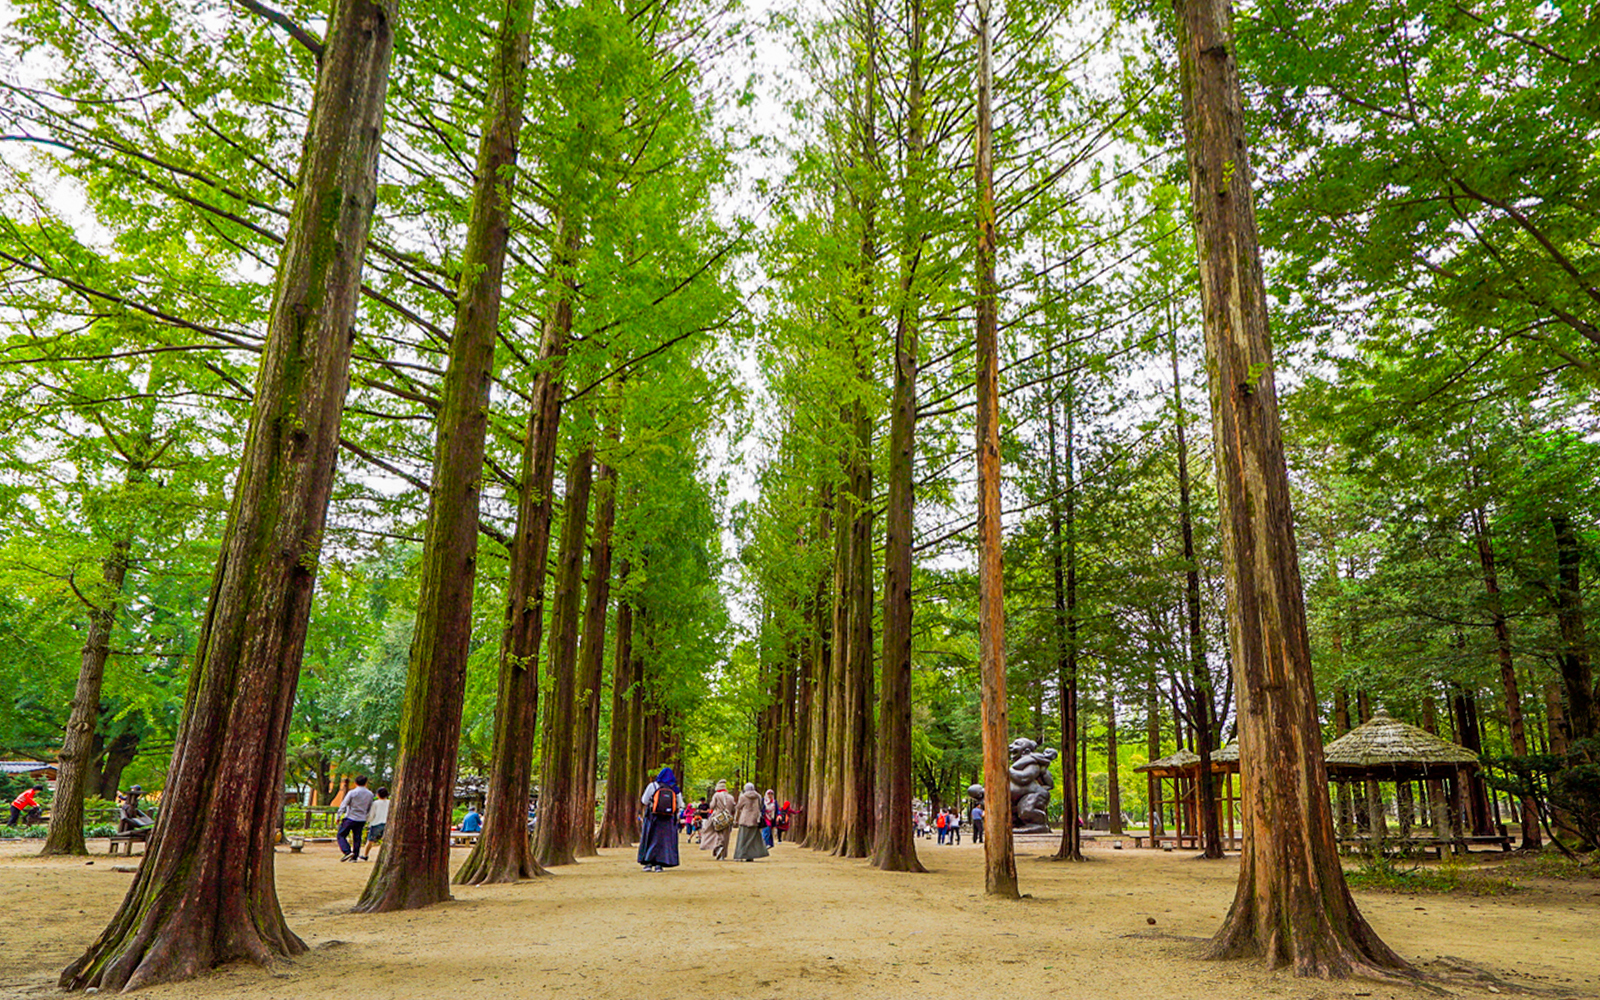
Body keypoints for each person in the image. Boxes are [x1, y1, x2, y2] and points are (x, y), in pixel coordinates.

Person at [637, 767, 684, 872]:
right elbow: (680, 804)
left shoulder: (653, 786)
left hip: (652, 817)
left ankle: (648, 862)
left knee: (650, 837)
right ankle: (660, 864)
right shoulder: (675, 788)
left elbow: (644, 800)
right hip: (668, 818)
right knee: (664, 841)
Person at [336, 775, 375, 861]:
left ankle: (347, 851)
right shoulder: (370, 794)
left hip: (350, 817)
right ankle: (354, 857)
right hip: (361, 819)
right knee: (357, 838)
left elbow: (344, 804)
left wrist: (338, 816)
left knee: (341, 835)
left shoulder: (352, 793)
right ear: (366, 783)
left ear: (355, 783)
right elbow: (370, 807)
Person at [731, 782, 770, 861]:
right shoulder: (758, 796)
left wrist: (736, 819)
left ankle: (740, 855)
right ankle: (750, 856)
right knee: (752, 840)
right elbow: (761, 806)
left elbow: (738, 807)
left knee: (742, 839)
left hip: (745, 820)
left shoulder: (743, 797)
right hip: (755, 820)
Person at [701, 779, 737, 860]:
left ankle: (718, 847)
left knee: (717, 833)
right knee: (726, 835)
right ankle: (723, 854)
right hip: (727, 817)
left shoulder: (716, 795)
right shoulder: (731, 797)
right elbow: (734, 808)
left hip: (718, 817)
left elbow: (712, 806)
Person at [361, 787, 389, 860]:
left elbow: (371, 815)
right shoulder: (390, 802)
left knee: (370, 840)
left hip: (376, 823)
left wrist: (368, 820)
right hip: (387, 823)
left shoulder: (375, 803)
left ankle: (365, 855)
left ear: (378, 794)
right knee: (386, 840)